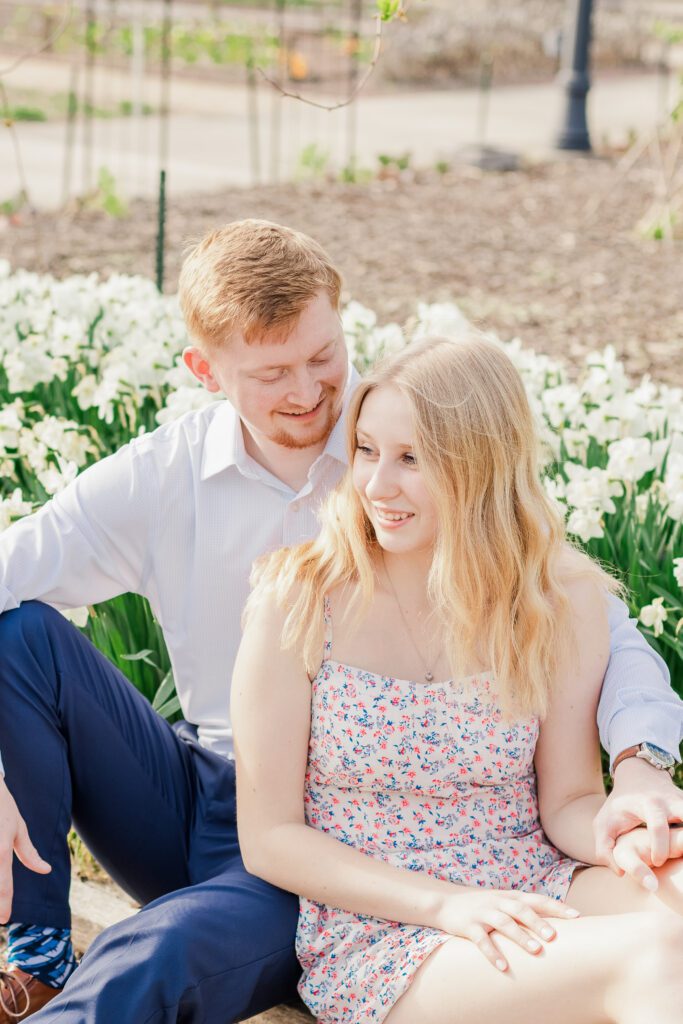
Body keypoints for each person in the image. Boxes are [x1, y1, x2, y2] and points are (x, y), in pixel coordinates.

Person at [0, 221, 680, 1024]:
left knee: (173, 947)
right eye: (272, 372)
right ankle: (35, 953)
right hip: (242, 800)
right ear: (204, 371)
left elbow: (592, 640)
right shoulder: (169, 486)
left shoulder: (415, 423)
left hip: (397, 843)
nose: (307, 391)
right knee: (23, 642)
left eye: (323, 357)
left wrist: (638, 770)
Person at [232, 334, 683, 1024]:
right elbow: (270, 837)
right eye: (366, 451)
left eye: (411, 459)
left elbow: (567, 802)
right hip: (389, 930)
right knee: (654, 954)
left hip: (534, 880)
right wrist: (446, 903)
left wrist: (626, 832)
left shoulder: (555, 599)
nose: (378, 485)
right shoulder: (299, 598)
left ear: (480, 465)